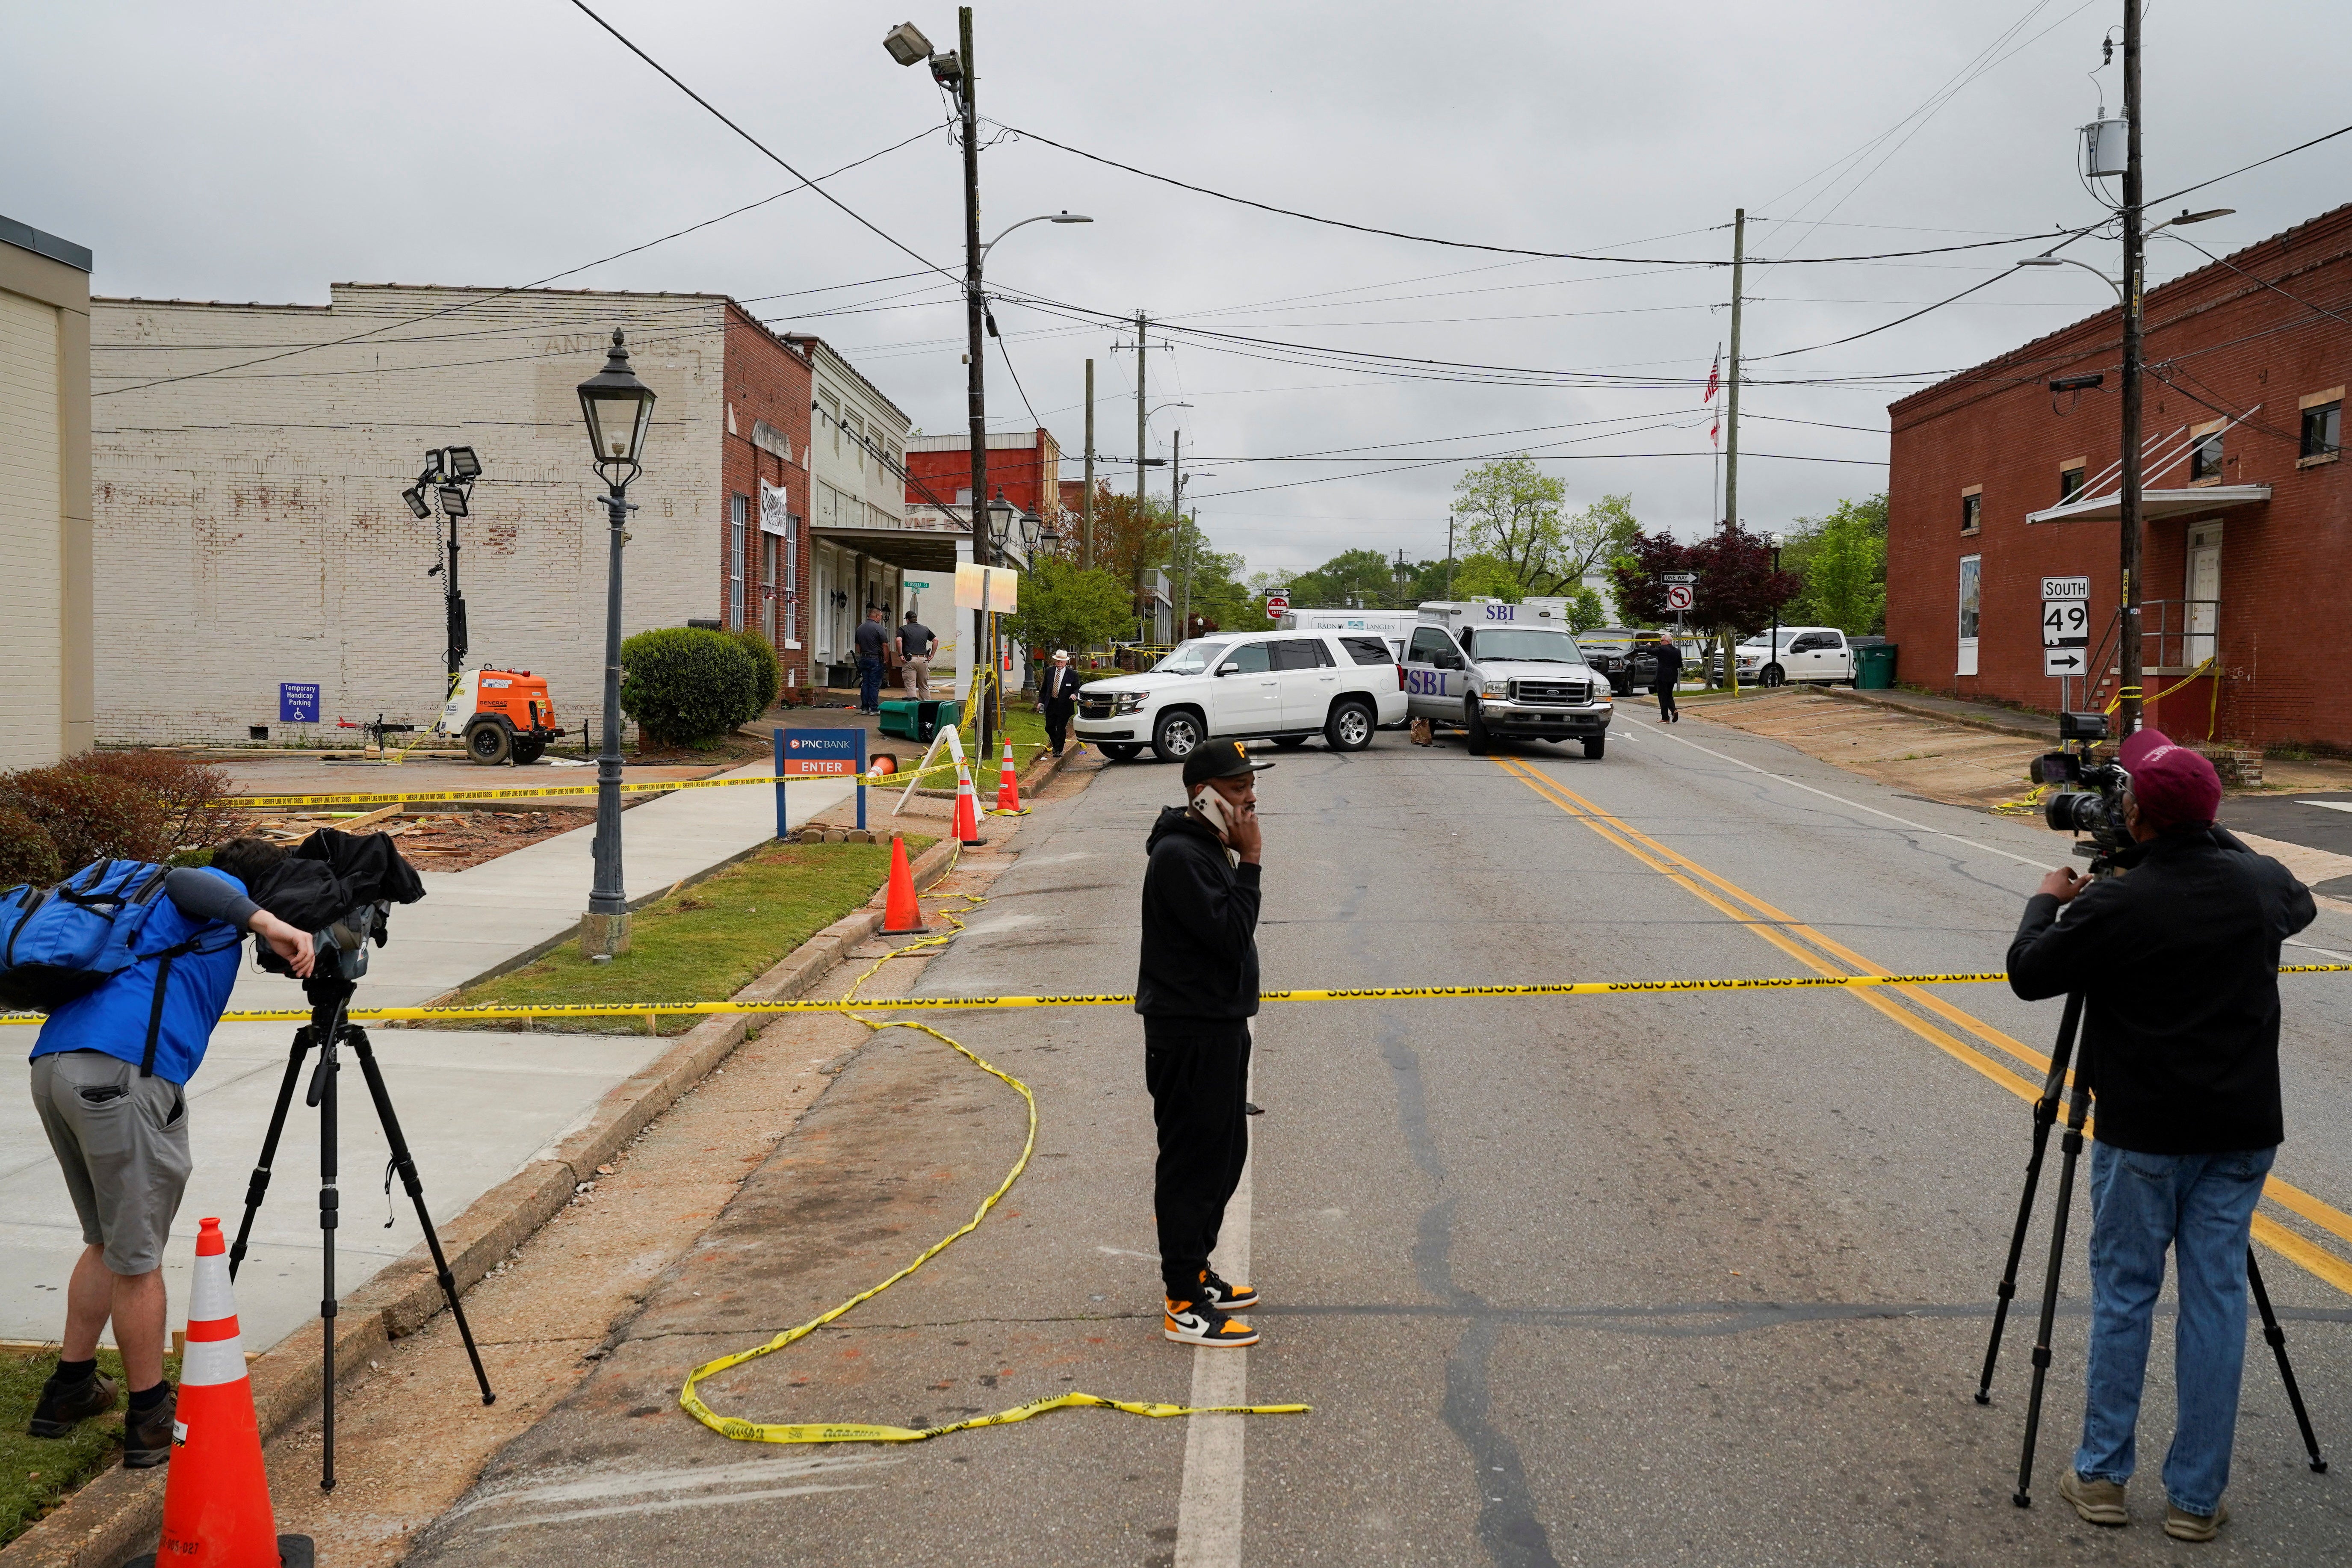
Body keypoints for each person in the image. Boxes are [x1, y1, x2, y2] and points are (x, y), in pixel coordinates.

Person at [2007, 729, 2314, 1543]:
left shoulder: (2119, 901)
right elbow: (2301, 900)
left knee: (2126, 1296)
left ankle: (2104, 1477)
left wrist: (2048, 897)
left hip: (2145, 1135)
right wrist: (2202, 821)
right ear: (2212, 817)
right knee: (2215, 1299)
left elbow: (2029, 972)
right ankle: (2195, 1498)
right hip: (2243, 1131)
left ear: (2134, 816)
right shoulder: (2259, 884)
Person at [25, 839, 316, 1466]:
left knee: (107, 1238)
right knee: (138, 1258)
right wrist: (269, 920)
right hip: (121, 1076)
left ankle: (69, 1390)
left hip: (56, 1065)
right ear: (249, 892)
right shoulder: (199, 893)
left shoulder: (149, 902)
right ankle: (152, 1414)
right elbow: (193, 879)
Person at [1137, 739, 1274, 1348]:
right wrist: (1253, 860)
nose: (1250, 798)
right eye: (1239, 788)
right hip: (1189, 1030)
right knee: (1193, 1162)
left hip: (1218, 1024)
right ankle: (1182, 1301)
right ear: (1205, 794)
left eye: (1250, 786)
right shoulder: (1178, 856)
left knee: (1225, 1154)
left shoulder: (1205, 846)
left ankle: (1197, 1267)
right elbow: (1230, 934)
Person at [1039, 648, 1081, 757]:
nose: (1059, 664)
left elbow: (1077, 688)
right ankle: (1056, 745)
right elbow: (1044, 689)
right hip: (1051, 704)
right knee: (1049, 727)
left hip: (1065, 705)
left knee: (1061, 728)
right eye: (1058, 662)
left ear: (1066, 662)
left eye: (1062, 662)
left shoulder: (1072, 675)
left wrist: (1075, 695)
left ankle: (1058, 750)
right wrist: (1040, 702)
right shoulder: (1049, 671)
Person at [852, 607, 890, 714]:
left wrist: (861, 656)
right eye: (881, 616)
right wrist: (886, 658)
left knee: (866, 683)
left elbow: (858, 646)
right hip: (875, 659)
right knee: (874, 684)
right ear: (877, 616)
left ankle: (865, 708)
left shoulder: (860, 628)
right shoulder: (879, 629)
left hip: (864, 658)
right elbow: (885, 645)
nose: (881, 619)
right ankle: (874, 708)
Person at [898, 610, 936, 700]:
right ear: (916, 619)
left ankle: (913, 708)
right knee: (924, 685)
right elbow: (936, 640)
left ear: (908, 620)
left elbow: (899, 640)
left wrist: (900, 655)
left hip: (910, 660)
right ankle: (927, 708)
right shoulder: (925, 629)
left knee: (911, 685)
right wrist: (932, 655)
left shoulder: (903, 629)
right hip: (923, 659)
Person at [1651, 637, 1682, 722]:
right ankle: (1674, 710)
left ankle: (1665, 718)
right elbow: (1680, 665)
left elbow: (1650, 651)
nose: (1660, 642)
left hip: (1662, 676)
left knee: (1662, 696)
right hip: (1672, 676)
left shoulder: (1662, 649)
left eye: (1662, 641)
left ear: (1668, 642)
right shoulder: (1677, 651)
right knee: (1669, 695)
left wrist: (1647, 646)